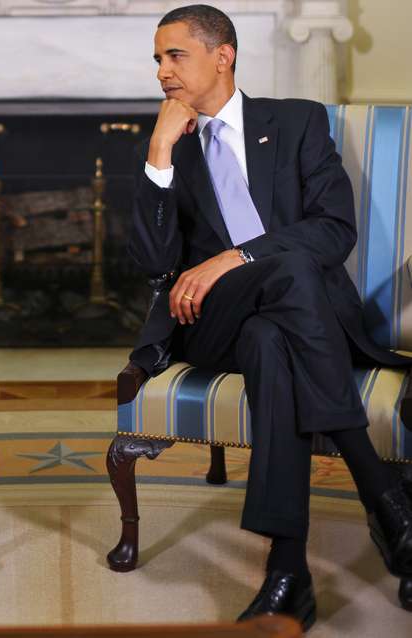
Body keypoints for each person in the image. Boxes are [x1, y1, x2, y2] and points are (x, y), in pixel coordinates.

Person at [129, 4, 412, 630]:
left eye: (174, 55)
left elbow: (334, 230)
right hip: (210, 321)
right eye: (157, 59)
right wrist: (158, 152)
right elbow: (153, 264)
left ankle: (289, 573)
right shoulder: (168, 147)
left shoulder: (296, 122)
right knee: (282, 282)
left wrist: (234, 256)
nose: (162, 73)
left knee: (271, 339)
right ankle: (383, 492)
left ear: (222, 54)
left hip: (284, 318)